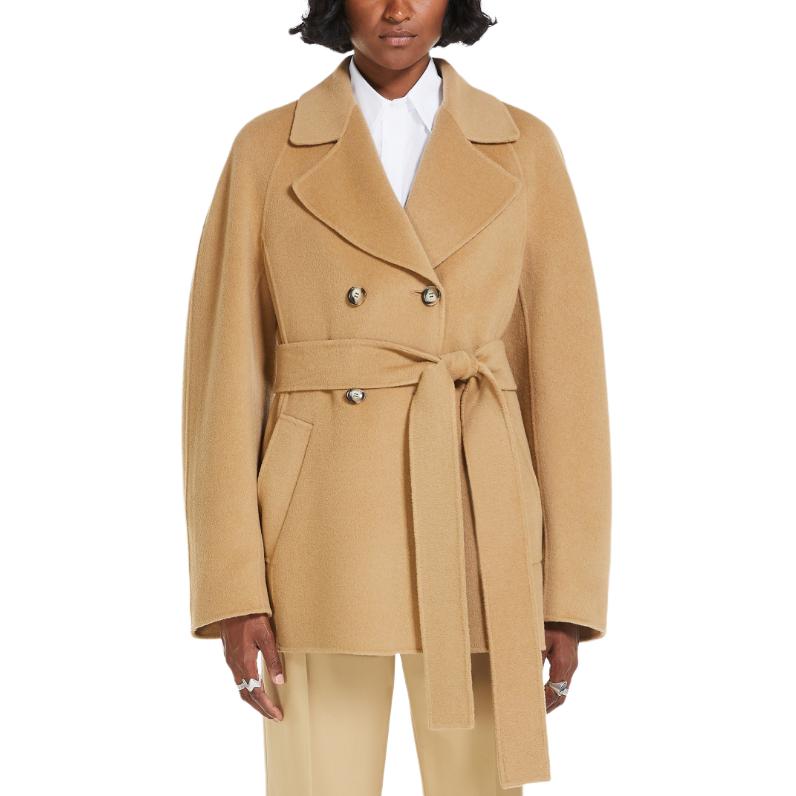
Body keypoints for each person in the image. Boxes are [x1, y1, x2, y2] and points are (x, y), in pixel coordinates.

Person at [181, 1, 611, 793]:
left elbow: (569, 381)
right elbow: (223, 378)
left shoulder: (524, 148)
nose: (399, 8)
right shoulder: (266, 150)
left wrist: (569, 594)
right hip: (316, 531)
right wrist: (232, 586)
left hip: (479, 520)